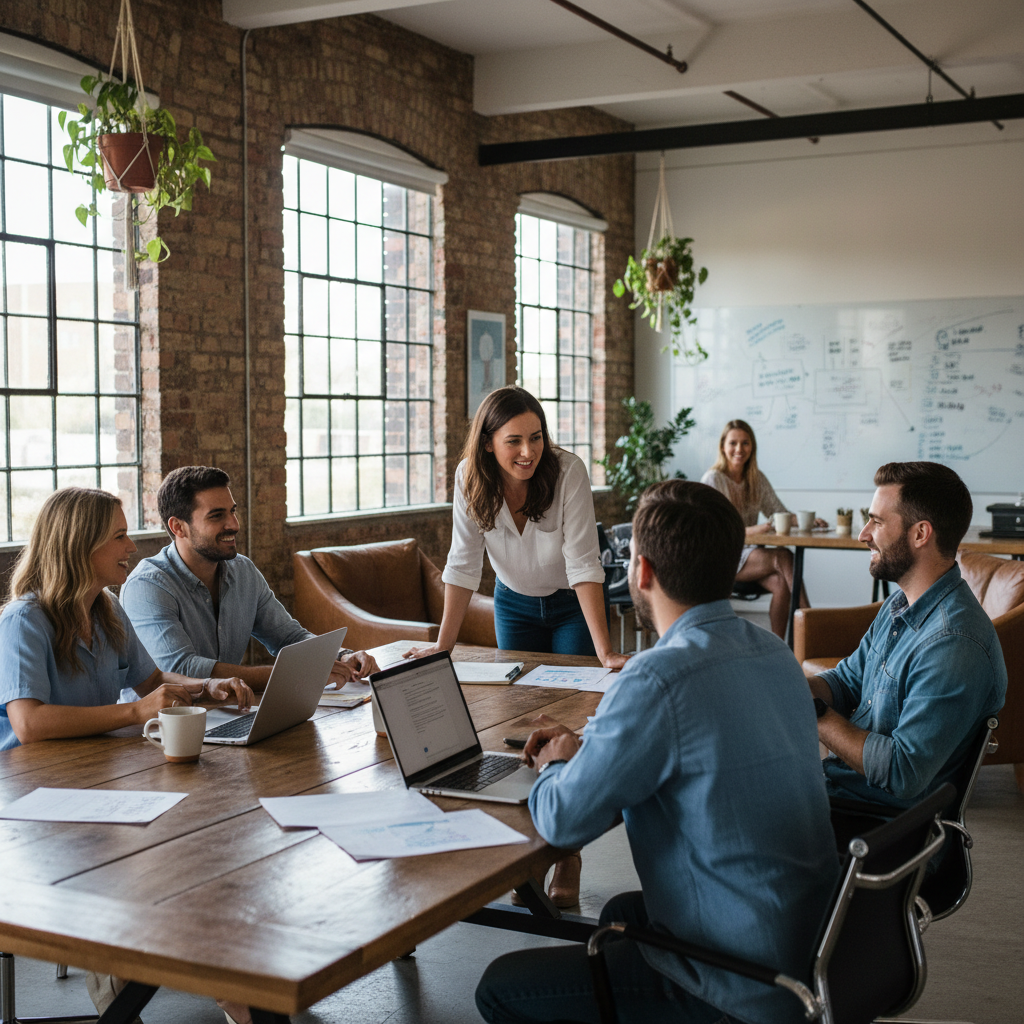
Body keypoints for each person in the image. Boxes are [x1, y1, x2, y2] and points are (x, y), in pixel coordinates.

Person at [475, 480, 839, 1024]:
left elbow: (562, 821)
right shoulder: (775, 653)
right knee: (621, 912)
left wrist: (556, 765)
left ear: (641, 571)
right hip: (815, 948)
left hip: (740, 979)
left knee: (498, 987)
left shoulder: (655, 678)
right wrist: (593, 752)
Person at [412, 385, 628, 908]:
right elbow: (462, 566)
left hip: (572, 606)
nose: (528, 452)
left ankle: (568, 851)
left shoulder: (567, 472)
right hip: (513, 604)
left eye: (536, 437)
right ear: (488, 443)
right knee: (519, 725)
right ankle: (529, 851)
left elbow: (583, 563)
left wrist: (604, 653)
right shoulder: (469, 479)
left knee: (570, 724)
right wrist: (443, 646)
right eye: (514, 441)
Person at [809, 461, 1006, 809]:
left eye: (877, 521)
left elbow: (902, 772)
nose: (863, 533)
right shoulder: (900, 605)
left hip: (876, 827)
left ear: (920, 534)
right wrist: (791, 686)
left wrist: (813, 712)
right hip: (839, 790)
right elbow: (846, 681)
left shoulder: (953, 643)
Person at [0, 488, 253, 753]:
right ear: (81, 545)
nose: (131, 547)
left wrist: (206, 685)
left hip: (91, 762)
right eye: (120, 536)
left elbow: (152, 681)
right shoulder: (23, 620)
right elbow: (28, 724)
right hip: (28, 776)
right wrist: (134, 711)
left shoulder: (109, 609)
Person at [120, 466, 377, 694]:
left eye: (232, 512)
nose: (234, 524)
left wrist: (341, 655)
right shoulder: (148, 586)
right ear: (178, 527)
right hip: (154, 731)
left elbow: (288, 637)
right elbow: (182, 668)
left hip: (226, 713)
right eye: (216, 515)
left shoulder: (242, 570)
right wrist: (295, 674)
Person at [701, 418, 823, 637]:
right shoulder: (714, 479)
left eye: (745, 443)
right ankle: (811, 621)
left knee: (781, 583)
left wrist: (810, 521)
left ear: (752, 447)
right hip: (723, 558)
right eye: (733, 443)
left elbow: (778, 512)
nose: (739, 449)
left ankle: (778, 646)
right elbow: (714, 531)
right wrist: (752, 531)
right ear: (723, 447)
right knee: (784, 557)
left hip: (749, 557)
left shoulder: (756, 479)